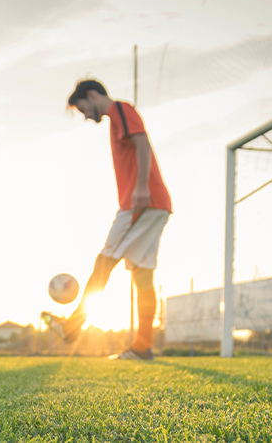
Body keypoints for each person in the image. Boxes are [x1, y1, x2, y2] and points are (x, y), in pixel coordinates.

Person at [43, 79, 172, 360]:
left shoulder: (121, 111)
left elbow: (142, 144)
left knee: (105, 261)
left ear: (92, 95)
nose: (87, 117)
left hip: (142, 204)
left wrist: (140, 187)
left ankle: (71, 327)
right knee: (143, 275)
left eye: (83, 109)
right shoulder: (116, 121)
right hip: (155, 204)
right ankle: (143, 347)